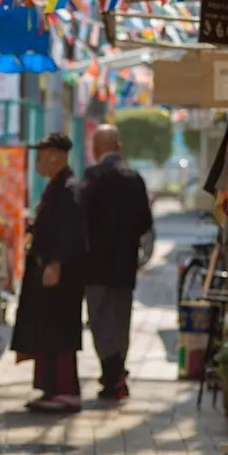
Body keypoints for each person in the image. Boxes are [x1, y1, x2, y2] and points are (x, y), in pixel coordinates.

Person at [11, 133, 87, 413]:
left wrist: (55, 263)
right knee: (48, 330)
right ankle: (51, 388)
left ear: (55, 156)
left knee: (59, 332)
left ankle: (65, 390)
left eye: (42, 155)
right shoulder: (57, 187)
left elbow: (71, 233)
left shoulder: (68, 189)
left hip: (61, 276)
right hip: (47, 270)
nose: (38, 162)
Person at [83, 124, 153, 400]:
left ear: (96, 148)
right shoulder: (134, 178)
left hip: (95, 265)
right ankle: (117, 373)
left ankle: (111, 375)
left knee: (99, 320)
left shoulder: (92, 177)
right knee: (121, 319)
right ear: (119, 147)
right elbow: (145, 221)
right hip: (124, 264)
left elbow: (82, 220)